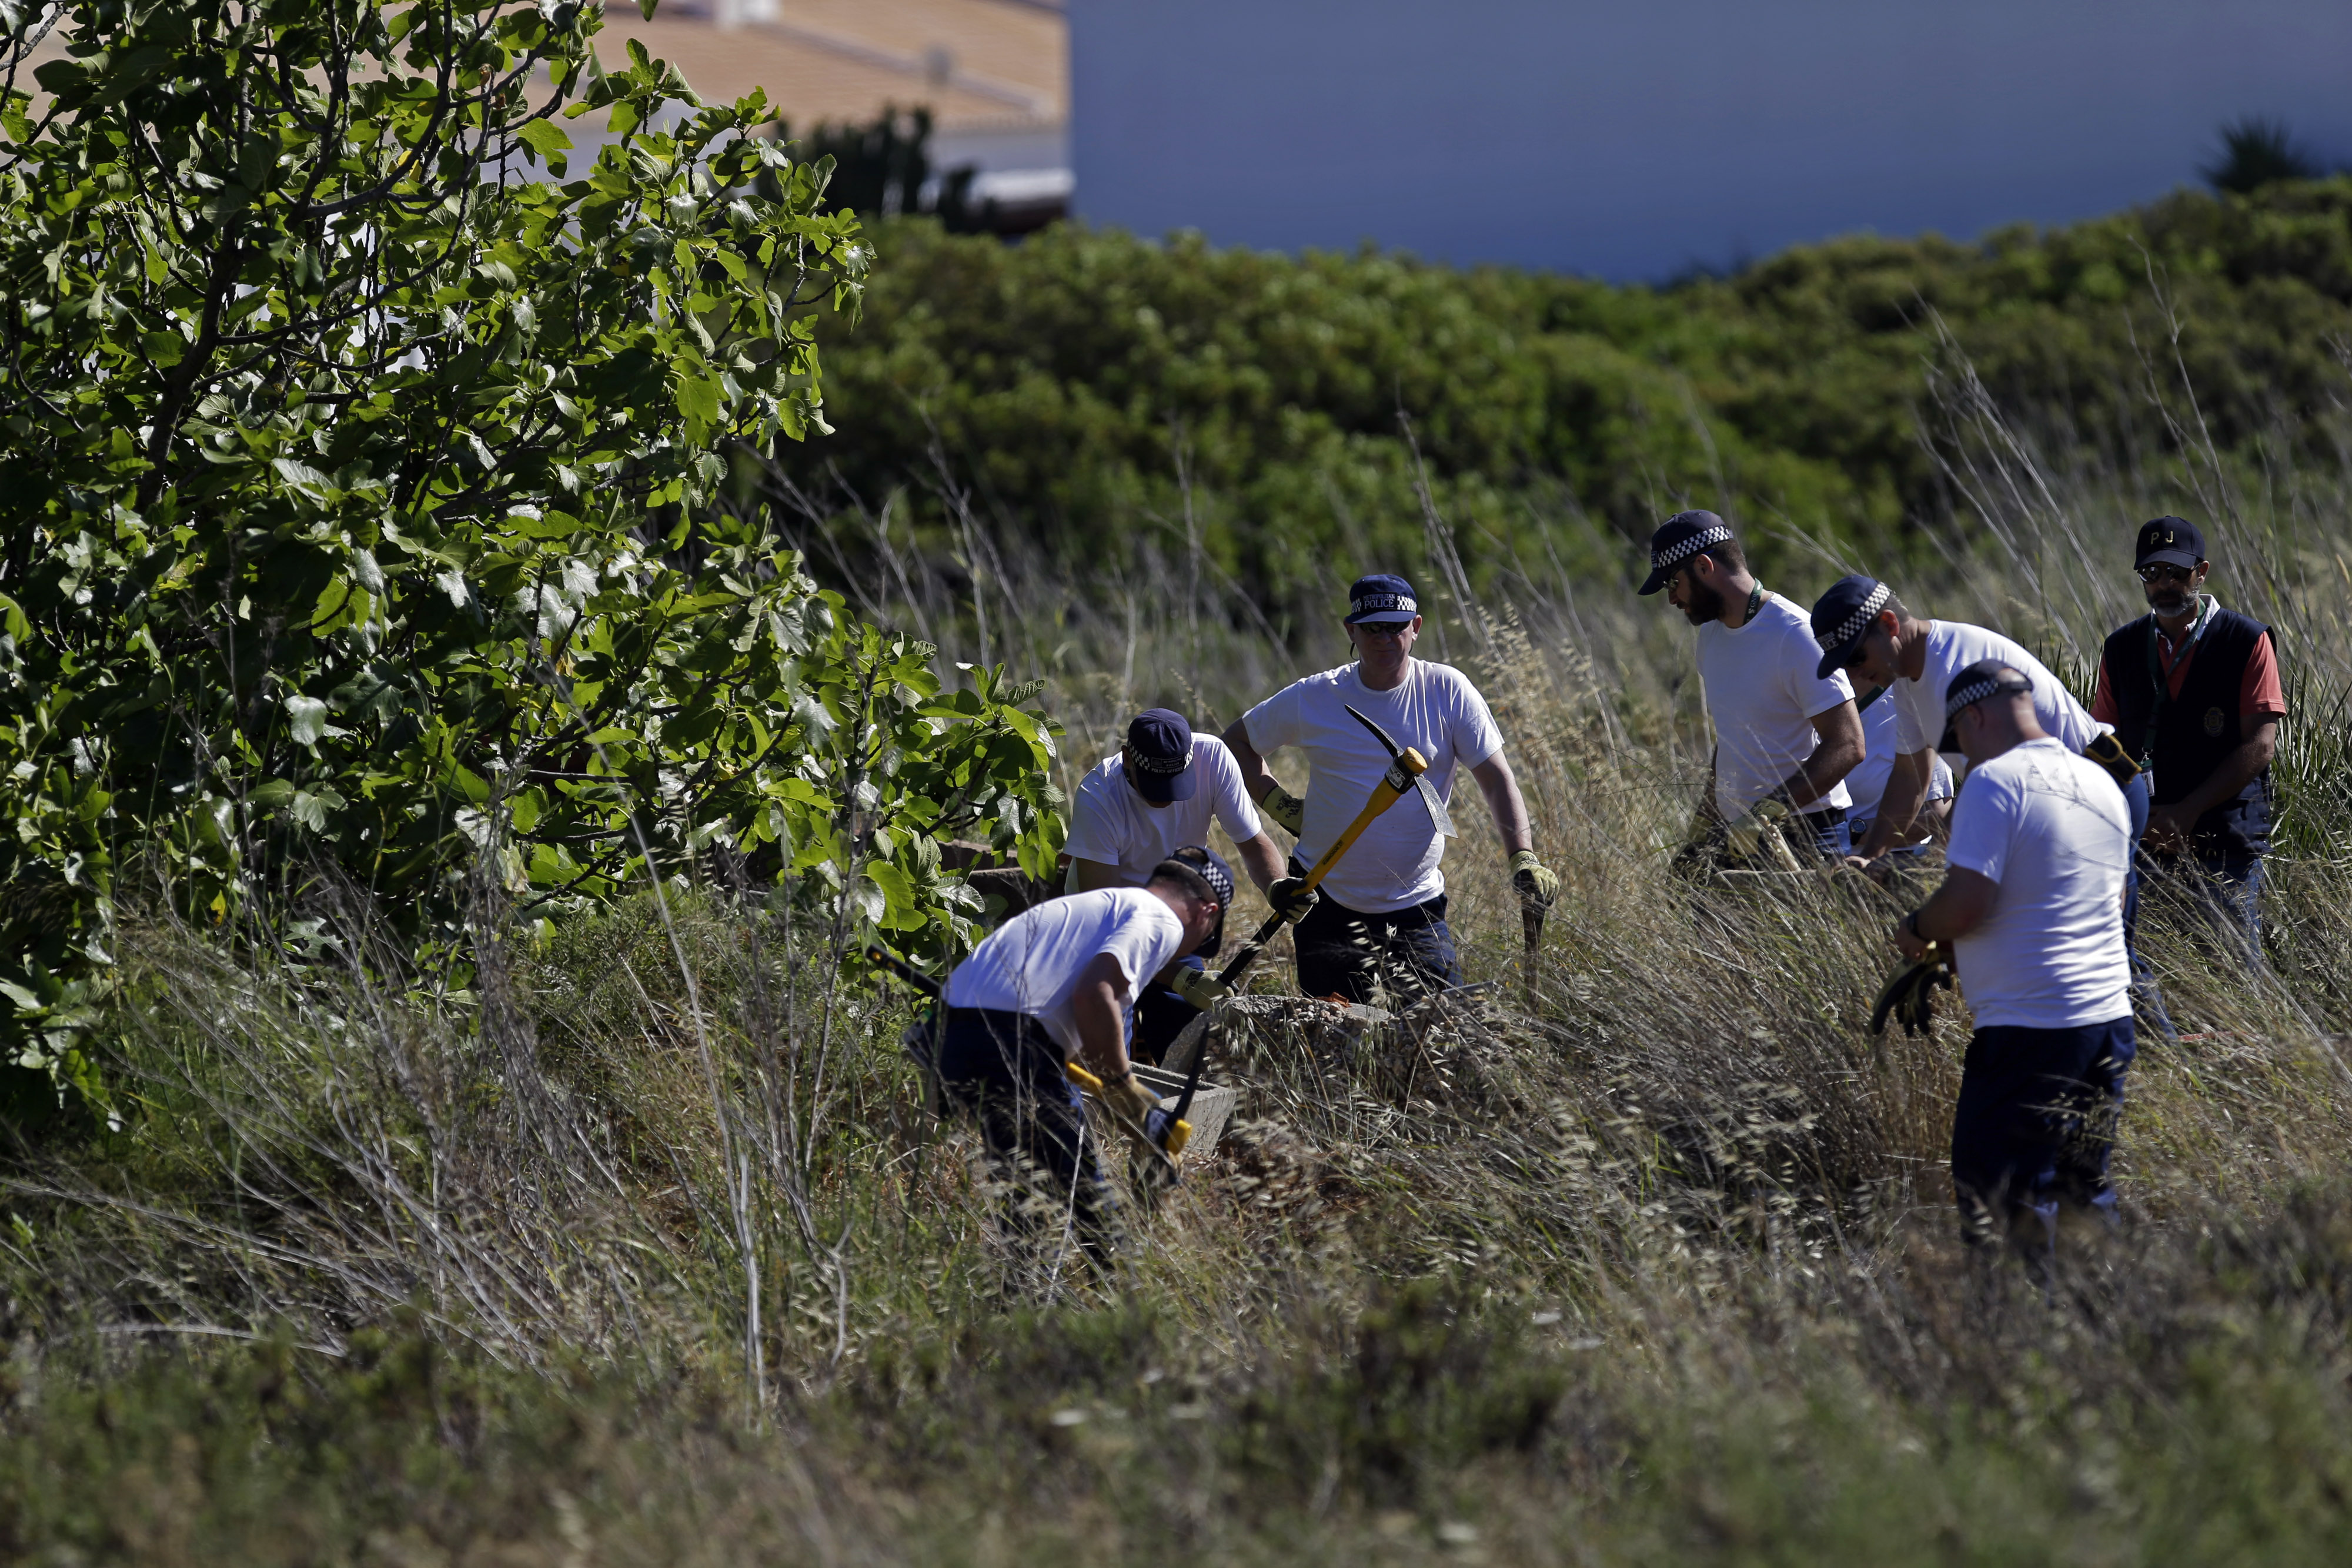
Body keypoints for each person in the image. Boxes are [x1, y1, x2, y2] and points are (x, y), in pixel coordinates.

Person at [1809, 572, 2166, 1032]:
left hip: (2101, 790)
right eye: (1846, 668)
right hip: (2053, 804)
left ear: (1890, 624)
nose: (1857, 676)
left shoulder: (1957, 666)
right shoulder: (1908, 681)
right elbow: (1910, 774)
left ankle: (2164, 1062)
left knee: (2102, 948)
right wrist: (1868, 855)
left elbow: (1991, 781)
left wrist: (1933, 860)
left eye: (1857, 657)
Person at [1221, 574, 1557, 1004]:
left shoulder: (1447, 691)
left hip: (1415, 906)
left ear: (1415, 627)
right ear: (1351, 630)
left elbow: (1496, 779)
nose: (1385, 639)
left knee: (1435, 1041)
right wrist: (1281, 805)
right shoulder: (1317, 696)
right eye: (1372, 628)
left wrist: (1522, 856)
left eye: (1396, 627)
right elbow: (1237, 743)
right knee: (1334, 1050)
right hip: (1324, 901)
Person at [1893, 662, 2134, 1260]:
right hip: (2107, 1026)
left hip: (2032, 1033)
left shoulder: (1995, 782)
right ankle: (2102, 1328)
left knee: (1999, 1202)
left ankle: (2019, 1338)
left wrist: (1918, 929)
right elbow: (2113, 899)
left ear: (1973, 716)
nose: (1963, 755)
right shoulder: (2100, 782)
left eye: (1959, 739)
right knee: (2084, 1195)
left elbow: (1967, 902)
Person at [937, 850, 1230, 1269]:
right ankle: (1123, 1303)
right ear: (1207, 911)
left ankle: (1018, 1306)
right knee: (1088, 1199)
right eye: (1205, 938)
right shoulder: (1160, 918)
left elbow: (1072, 1030)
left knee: (1028, 1201)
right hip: (1013, 1039)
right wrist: (1126, 1088)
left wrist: (1130, 1116)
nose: (1190, 949)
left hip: (952, 1033)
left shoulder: (1101, 909)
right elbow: (1094, 995)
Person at [1061, 708, 1312, 1062]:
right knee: (1106, 1059)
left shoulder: (1212, 759)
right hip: (1103, 932)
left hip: (1172, 918)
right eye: (1155, 787)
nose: (1166, 799)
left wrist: (1276, 887)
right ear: (1128, 758)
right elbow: (1108, 926)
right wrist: (1185, 981)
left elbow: (1253, 844)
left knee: (1194, 1052)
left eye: (1176, 785)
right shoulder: (1099, 795)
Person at [2090, 517, 2283, 964]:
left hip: (2226, 840)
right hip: (2146, 841)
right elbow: (2104, 742)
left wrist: (2187, 811)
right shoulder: (2120, 648)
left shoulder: (2247, 639)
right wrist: (2138, 811)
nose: (2164, 585)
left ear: (2202, 571)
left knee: (2233, 972)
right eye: (2151, 574)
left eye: (2176, 572)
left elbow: (2260, 745)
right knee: (2153, 972)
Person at [1638, 511, 1865, 865]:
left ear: (1703, 566)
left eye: (1672, 583)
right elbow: (1732, 742)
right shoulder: (1710, 638)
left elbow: (1849, 744)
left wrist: (1768, 812)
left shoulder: (1795, 634)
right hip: (1737, 834)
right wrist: (1703, 828)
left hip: (1806, 835)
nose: (1672, 599)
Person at [1846, 687, 1954, 857]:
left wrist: (1856, 833)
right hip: (1825, 862)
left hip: (1894, 865)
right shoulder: (1813, 708)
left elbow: (1933, 815)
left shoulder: (1905, 708)